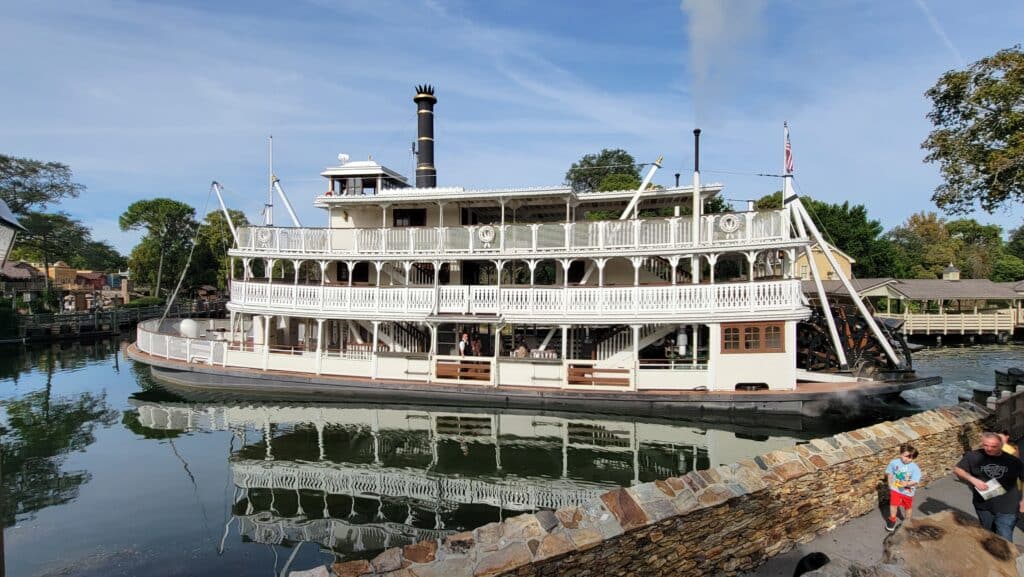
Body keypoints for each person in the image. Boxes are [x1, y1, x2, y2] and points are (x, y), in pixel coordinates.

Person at [953, 431, 1024, 541]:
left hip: (1008, 507)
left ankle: (1008, 558)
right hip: (983, 505)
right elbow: (958, 469)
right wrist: (973, 480)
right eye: (986, 445)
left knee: (1004, 539)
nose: (989, 449)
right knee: (988, 535)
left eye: (993, 446)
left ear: (1001, 445)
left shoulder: (1013, 461)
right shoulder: (973, 456)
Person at [884, 443, 921, 531]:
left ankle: (907, 521)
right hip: (895, 489)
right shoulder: (894, 463)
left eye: (911, 457)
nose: (908, 459)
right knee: (893, 505)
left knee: (907, 506)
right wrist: (889, 484)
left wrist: (907, 484)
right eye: (906, 456)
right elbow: (890, 473)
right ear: (901, 454)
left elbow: (915, 481)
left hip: (907, 492)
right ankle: (892, 520)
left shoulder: (915, 468)